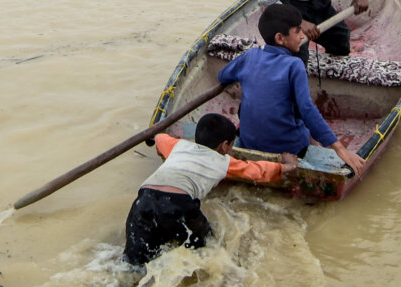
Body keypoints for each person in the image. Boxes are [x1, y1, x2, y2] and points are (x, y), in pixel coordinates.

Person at [123, 113, 296, 267]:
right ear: (224, 146)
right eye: (231, 146)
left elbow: (160, 139)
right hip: (179, 204)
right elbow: (257, 171)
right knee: (208, 248)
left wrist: (155, 141)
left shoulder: (178, 146)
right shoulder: (222, 161)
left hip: (143, 200)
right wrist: (286, 166)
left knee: (133, 264)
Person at [218, 3, 368, 176]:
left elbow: (223, 76)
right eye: (297, 31)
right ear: (280, 38)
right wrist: (339, 148)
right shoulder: (294, 65)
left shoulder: (250, 55)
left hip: (249, 143)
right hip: (289, 150)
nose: (302, 36)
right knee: (307, 125)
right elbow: (307, 109)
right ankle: (315, 147)